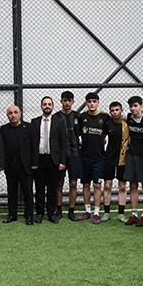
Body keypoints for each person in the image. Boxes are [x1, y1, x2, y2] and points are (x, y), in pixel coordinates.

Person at [0, 105, 38, 225]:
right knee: (12, 191)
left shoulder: (29, 127)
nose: (13, 115)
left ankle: (29, 216)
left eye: (15, 112)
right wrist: (2, 163)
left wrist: (34, 163)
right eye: (10, 113)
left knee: (27, 191)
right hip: (10, 164)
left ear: (20, 113)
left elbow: (34, 146)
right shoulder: (3, 129)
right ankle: (12, 215)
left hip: (25, 165)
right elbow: (1, 148)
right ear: (7, 115)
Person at [32, 96, 67, 224]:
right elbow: (32, 143)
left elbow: (63, 143)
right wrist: (33, 161)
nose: (47, 106)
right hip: (39, 159)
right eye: (45, 104)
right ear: (41, 106)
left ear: (52, 106)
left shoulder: (59, 122)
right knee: (39, 188)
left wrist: (62, 161)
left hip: (53, 160)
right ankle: (39, 213)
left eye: (49, 104)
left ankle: (51, 213)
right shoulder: (35, 122)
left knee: (52, 189)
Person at [77, 92, 111, 224]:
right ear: (86, 103)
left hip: (99, 158)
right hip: (85, 156)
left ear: (98, 102)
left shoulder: (105, 117)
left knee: (97, 185)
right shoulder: (82, 116)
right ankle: (87, 211)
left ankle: (96, 213)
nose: (92, 104)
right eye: (89, 101)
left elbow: (111, 130)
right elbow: (78, 132)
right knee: (86, 184)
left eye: (94, 101)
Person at [53, 91, 81, 221]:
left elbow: (84, 132)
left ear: (73, 102)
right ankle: (58, 210)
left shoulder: (78, 116)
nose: (67, 103)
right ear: (61, 101)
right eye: (65, 100)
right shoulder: (56, 117)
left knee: (73, 183)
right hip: (60, 155)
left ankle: (71, 211)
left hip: (75, 154)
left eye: (69, 101)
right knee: (59, 182)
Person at [125, 96, 143, 227]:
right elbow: (114, 116)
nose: (133, 108)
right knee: (133, 185)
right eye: (131, 106)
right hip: (131, 155)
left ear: (141, 106)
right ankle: (134, 214)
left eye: (135, 106)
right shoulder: (128, 118)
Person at [102, 101, 129, 222]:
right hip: (109, 158)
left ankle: (121, 213)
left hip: (123, 160)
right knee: (107, 185)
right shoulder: (107, 124)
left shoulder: (127, 124)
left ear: (121, 111)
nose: (115, 112)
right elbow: (101, 137)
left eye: (117, 110)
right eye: (112, 110)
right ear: (110, 112)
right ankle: (106, 212)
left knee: (122, 187)